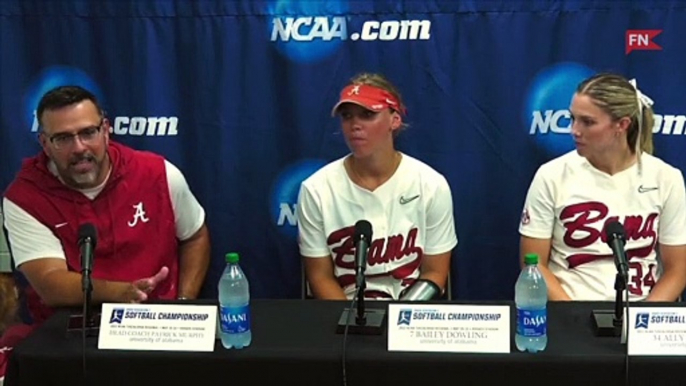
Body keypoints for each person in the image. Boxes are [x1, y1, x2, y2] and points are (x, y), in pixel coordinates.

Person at [2, 85, 211, 324]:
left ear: (106, 130)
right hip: (72, 328)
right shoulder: (25, 198)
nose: (79, 148)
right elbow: (50, 283)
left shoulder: (157, 173)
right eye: (63, 138)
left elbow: (195, 237)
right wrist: (121, 293)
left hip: (158, 321)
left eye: (88, 132)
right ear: (44, 143)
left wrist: (183, 305)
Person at [519, 73, 686, 301]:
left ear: (622, 125)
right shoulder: (551, 176)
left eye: (587, 122)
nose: (574, 130)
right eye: (572, 119)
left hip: (641, 311)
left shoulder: (666, 178)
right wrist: (573, 316)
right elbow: (533, 263)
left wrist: (643, 321)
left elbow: (677, 270)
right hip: (569, 311)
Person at [296, 73, 458, 300]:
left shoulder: (430, 184)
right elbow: (320, 277)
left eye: (367, 114)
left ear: (395, 120)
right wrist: (350, 325)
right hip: (343, 314)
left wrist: (399, 320)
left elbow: (435, 273)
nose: (355, 125)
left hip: (411, 313)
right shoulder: (316, 189)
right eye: (347, 116)